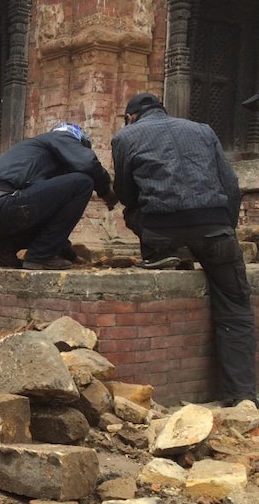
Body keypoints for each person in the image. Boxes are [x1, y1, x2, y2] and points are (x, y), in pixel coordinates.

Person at [112, 92, 257, 409]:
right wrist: (225, 227)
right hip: (215, 228)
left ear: (132, 117)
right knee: (235, 305)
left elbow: (125, 192)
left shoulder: (125, 137)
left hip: (162, 230)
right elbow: (230, 184)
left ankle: (164, 254)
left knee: (133, 212)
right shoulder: (203, 130)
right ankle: (243, 394)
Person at [0, 122, 116, 270]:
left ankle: (2, 248)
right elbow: (87, 164)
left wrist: (71, 256)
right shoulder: (62, 136)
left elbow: (51, 220)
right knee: (83, 182)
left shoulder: (37, 154)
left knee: (49, 208)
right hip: (5, 204)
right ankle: (40, 257)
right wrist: (106, 190)